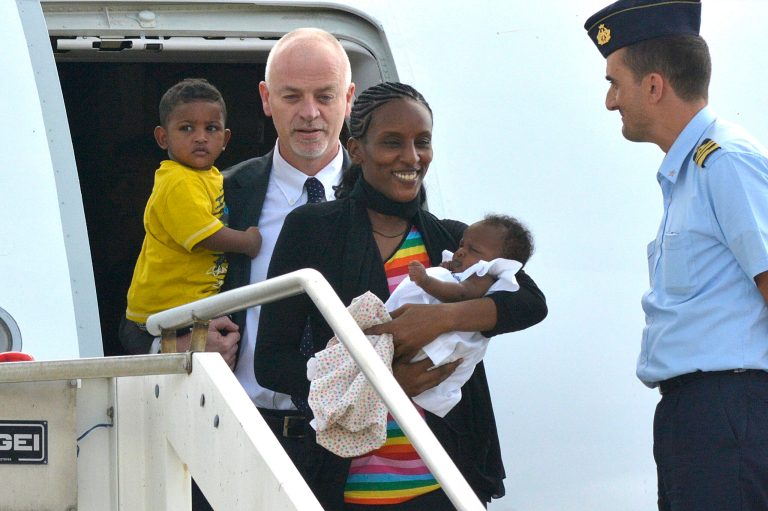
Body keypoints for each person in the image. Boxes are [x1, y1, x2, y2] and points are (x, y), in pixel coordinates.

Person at [255, 81, 547, 510]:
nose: (412, 158)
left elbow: (530, 303)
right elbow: (272, 363)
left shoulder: (452, 241)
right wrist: (384, 384)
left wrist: (442, 318)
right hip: (348, 488)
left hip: (447, 483)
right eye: (393, 142)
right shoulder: (312, 229)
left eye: (422, 142)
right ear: (356, 149)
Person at [584, 1, 768, 510]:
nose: (610, 101)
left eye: (614, 83)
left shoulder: (724, 161)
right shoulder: (688, 171)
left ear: (654, 85)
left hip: (730, 412)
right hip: (701, 414)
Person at [220, 27, 355, 460]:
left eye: (326, 96)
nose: (310, 113)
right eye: (292, 96)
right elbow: (136, 319)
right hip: (238, 434)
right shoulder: (220, 196)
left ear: (349, 97)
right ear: (265, 98)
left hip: (357, 443)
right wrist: (179, 345)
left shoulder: (386, 199)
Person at [119, 78, 260, 360]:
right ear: (163, 137)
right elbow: (207, 236)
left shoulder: (210, 177)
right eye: (186, 128)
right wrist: (248, 242)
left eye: (211, 128)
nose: (200, 137)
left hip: (186, 310)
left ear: (225, 139)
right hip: (162, 316)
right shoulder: (177, 182)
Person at [394, 214, 533, 417]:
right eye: (462, 244)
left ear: (497, 263)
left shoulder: (483, 276)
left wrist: (425, 281)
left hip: (430, 353)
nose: (459, 252)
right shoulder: (464, 265)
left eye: (472, 250)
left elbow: (459, 293)